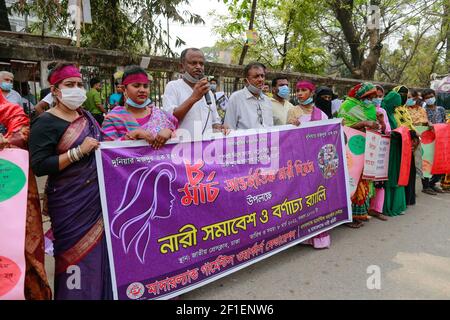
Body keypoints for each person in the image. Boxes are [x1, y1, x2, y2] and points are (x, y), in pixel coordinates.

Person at [29, 63, 112, 300]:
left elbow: (103, 148)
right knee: (73, 255)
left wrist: (130, 138)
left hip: (96, 198)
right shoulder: (44, 123)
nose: (77, 89)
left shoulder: (86, 117)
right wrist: (78, 152)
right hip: (68, 202)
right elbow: (40, 165)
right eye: (69, 85)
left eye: (79, 84)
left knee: (99, 254)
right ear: (55, 91)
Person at [0, 92, 52, 300]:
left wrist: (5, 142)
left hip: (8, 184)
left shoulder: (9, 109)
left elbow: (22, 130)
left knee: (17, 245)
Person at [287, 80, 331, 249]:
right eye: (297, 90)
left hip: (317, 163)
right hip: (299, 162)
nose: (299, 93)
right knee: (302, 198)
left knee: (317, 198)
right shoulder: (293, 112)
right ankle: (302, 236)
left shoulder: (321, 114)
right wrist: (291, 126)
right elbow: (285, 138)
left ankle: (318, 237)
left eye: (304, 90)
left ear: (311, 93)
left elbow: (328, 136)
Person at [337, 83, 382, 227]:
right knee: (351, 180)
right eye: (370, 97)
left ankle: (360, 213)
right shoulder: (347, 106)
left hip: (366, 147)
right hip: (351, 149)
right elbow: (342, 127)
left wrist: (377, 123)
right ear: (361, 96)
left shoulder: (370, 108)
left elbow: (377, 125)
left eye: (375, 97)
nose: (373, 100)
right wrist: (363, 123)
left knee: (363, 179)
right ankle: (349, 216)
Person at [102, 65, 177, 148]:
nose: (142, 90)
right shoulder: (113, 119)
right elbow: (107, 152)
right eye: (136, 86)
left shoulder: (160, 115)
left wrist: (169, 132)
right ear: (124, 89)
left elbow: (180, 136)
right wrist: (132, 135)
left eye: (145, 86)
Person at [163, 48, 227, 139]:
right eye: (193, 63)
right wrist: (194, 97)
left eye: (201, 63)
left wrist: (221, 128)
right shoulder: (173, 86)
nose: (198, 67)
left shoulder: (208, 92)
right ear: (182, 67)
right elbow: (170, 119)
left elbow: (214, 122)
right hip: (182, 149)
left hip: (206, 148)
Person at [224, 62, 273, 130]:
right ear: (246, 81)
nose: (261, 79)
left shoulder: (267, 100)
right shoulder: (236, 98)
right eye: (256, 76)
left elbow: (271, 126)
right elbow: (229, 128)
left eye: (262, 76)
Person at [382, 91, 408, 217]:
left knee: (397, 174)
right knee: (390, 175)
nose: (396, 108)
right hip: (388, 149)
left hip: (396, 147)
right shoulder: (382, 112)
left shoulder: (392, 113)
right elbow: (384, 131)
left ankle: (396, 204)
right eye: (394, 105)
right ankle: (388, 205)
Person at [421, 88, 447, 194]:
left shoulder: (441, 109)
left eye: (431, 96)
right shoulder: (422, 111)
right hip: (427, 139)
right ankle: (426, 186)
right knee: (427, 163)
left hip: (440, 139)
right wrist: (427, 124)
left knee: (441, 161)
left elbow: (444, 122)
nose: (430, 99)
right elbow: (421, 124)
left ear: (435, 96)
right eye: (427, 98)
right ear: (424, 100)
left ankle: (433, 183)